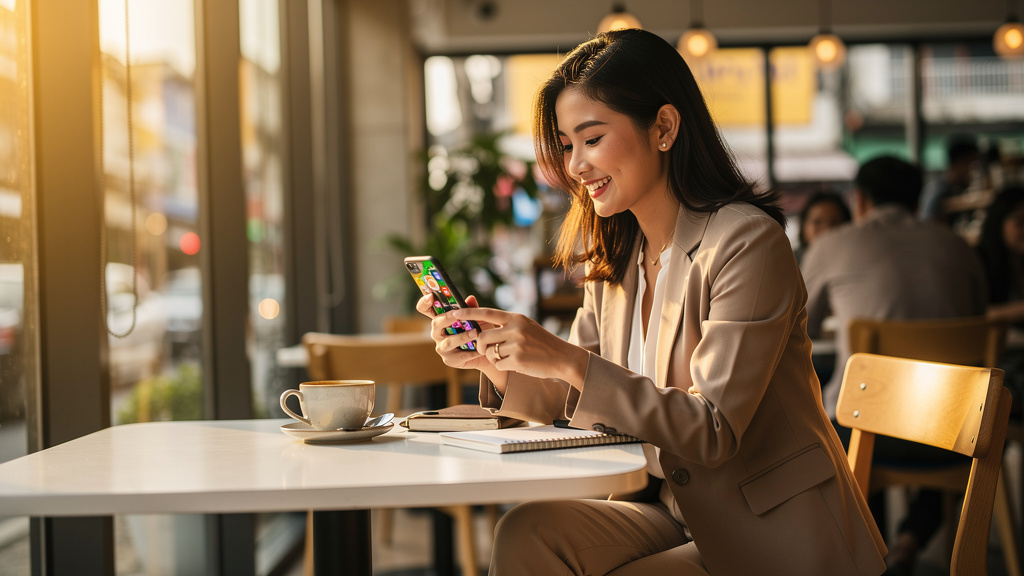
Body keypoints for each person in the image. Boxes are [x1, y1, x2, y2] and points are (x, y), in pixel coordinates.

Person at [417, 29, 885, 576]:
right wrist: (494, 359)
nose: (575, 166)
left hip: (771, 531)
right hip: (672, 510)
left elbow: (712, 430)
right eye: (567, 145)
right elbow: (570, 393)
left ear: (663, 128)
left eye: (592, 139)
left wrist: (566, 358)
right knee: (527, 531)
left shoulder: (746, 242)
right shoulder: (618, 260)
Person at [801, 155, 987, 575]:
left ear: (860, 199)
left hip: (867, 433)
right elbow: (977, 319)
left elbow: (796, 330)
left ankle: (872, 555)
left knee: (848, 408)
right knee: (978, 425)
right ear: (918, 199)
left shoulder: (832, 245)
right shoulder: (958, 247)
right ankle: (908, 543)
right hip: (957, 433)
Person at [976, 185, 1024, 414]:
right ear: (999, 222)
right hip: (994, 357)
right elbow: (974, 314)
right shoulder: (980, 260)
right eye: (1020, 222)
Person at [918, 134, 981, 224]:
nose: (975, 171)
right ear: (960, 162)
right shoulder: (939, 189)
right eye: (972, 164)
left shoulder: (953, 189)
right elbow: (927, 221)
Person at [793, 191, 851, 266]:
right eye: (817, 222)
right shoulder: (791, 261)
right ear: (804, 227)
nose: (826, 230)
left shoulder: (854, 260)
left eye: (834, 222)